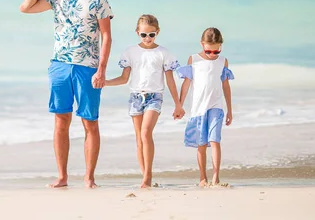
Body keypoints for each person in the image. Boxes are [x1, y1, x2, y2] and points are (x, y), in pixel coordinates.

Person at [19, 0, 114, 189]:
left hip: (87, 68)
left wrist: (101, 69)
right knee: (61, 120)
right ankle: (62, 177)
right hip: (60, 66)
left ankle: (89, 178)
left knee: (89, 121)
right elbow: (25, 8)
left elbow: (106, 36)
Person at [100, 14, 185, 188]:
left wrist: (178, 104)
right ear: (137, 32)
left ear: (157, 32)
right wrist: (105, 83)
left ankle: (147, 177)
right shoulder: (130, 52)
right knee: (139, 138)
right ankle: (145, 176)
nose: (147, 38)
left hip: (155, 97)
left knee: (146, 133)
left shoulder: (163, 53)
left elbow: (170, 80)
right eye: (144, 35)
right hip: (135, 97)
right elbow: (124, 78)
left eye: (151, 35)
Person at [177, 27, 234, 187]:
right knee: (201, 144)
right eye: (209, 51)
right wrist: (179, 105)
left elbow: (226, 86)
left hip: (216, 107)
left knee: (215, 140)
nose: (213, 55)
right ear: (202, 44)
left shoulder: (223, 61)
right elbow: (186, 85)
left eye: (217, 51)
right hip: (198, 109)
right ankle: (203, 178)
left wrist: (230, 109)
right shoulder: (194, 60)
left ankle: (216, 177)